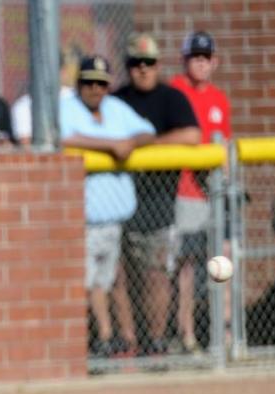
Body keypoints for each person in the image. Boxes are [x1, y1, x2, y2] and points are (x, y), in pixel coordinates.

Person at [59, 56, 156, 357]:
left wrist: (128, 142)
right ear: (79, 84)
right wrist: (111, 145)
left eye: (101, 83)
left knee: (109, 282)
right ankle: (96, 339)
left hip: (116, 221)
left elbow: (148, 132)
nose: (95, 89)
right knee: (88, 284)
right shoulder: (68, 108)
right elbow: (65, 137)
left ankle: (115, 339)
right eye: (89, 82)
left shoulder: (115, 109)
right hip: (84, 219)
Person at [114, 33, 201, 356]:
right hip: (120, 200)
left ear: (158, 65)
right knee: (119, 275)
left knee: (157, 275)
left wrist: (147, 145)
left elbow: (192, 135)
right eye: (136, 63)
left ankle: (156, 339)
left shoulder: (172, 98)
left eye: (148, 63)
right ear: (127, 66)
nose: (142, 69)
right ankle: (126, 339)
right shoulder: (117, 99)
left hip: (159, 200)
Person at [169, 31, 233, 355]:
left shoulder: (220, 99)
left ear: (214, 62)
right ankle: (187, 333)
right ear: (184, 61)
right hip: (186, 192)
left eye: (206, 57)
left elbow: (224, 147)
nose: (201, 63)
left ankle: (224, 334)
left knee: (223, 260)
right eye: (195, 57)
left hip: (215, 195)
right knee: (187, 266)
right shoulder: (176, 91)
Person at [12, 48, 79, 147]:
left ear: (63, 71)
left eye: (52, 69)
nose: (46, 75)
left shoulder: (76, 98)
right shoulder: (23, 106)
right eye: (42, 69)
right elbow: (26, 145)